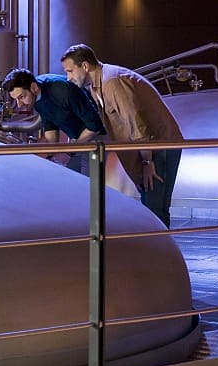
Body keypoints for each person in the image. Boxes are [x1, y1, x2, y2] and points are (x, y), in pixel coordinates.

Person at [60, 43, 183, 228]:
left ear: (84, 66)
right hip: (151, 149)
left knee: (154, 209)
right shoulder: (96, 86)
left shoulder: (112, 82)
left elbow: (136, 124)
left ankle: (157, 245)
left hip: (158, 147)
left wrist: (147, 162)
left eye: (70, 71)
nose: (68, 77)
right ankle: (158, 244)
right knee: (154, 208)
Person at [0, 68, 105, 171]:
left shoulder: (62, 91)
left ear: (34, 87)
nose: (19, 105)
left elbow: (95, 125)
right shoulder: (35, 95)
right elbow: (50, 127)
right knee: (70, 174)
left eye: (21, 97)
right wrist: (44, 155)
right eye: (16, 99)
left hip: (98, 138)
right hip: (78, 139)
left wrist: (70, 149)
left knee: (89, 180)